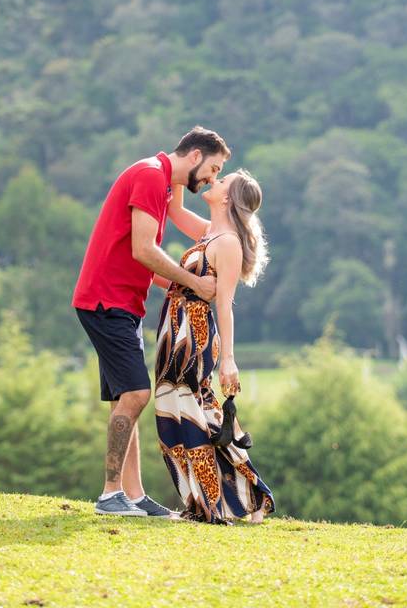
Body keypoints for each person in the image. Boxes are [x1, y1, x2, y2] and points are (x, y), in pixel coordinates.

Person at [72, 127, 230, 517]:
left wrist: (180, 289)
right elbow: (144, 249)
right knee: (137, 395)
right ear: (194, 156)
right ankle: (111, 495)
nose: (211, 178)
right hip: (106, 301)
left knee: (125, 397)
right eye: (212, 169)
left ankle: (134, 496)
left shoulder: (159, 182)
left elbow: (140, 254)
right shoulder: (148, 176)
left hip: (122, 303)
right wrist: (192, 281)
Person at [153, 169, 275, 524]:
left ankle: (229, 500)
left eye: (222, 180)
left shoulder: (228, 243)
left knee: (197, 415)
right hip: (172, 330)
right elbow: (173, 210)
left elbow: (225, 305)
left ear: (227, 198)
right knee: (172, 412)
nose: (214, 180)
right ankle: (203, 502)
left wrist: (229, 361)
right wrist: (178, 169)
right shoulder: (209, 232)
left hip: (195, 334)